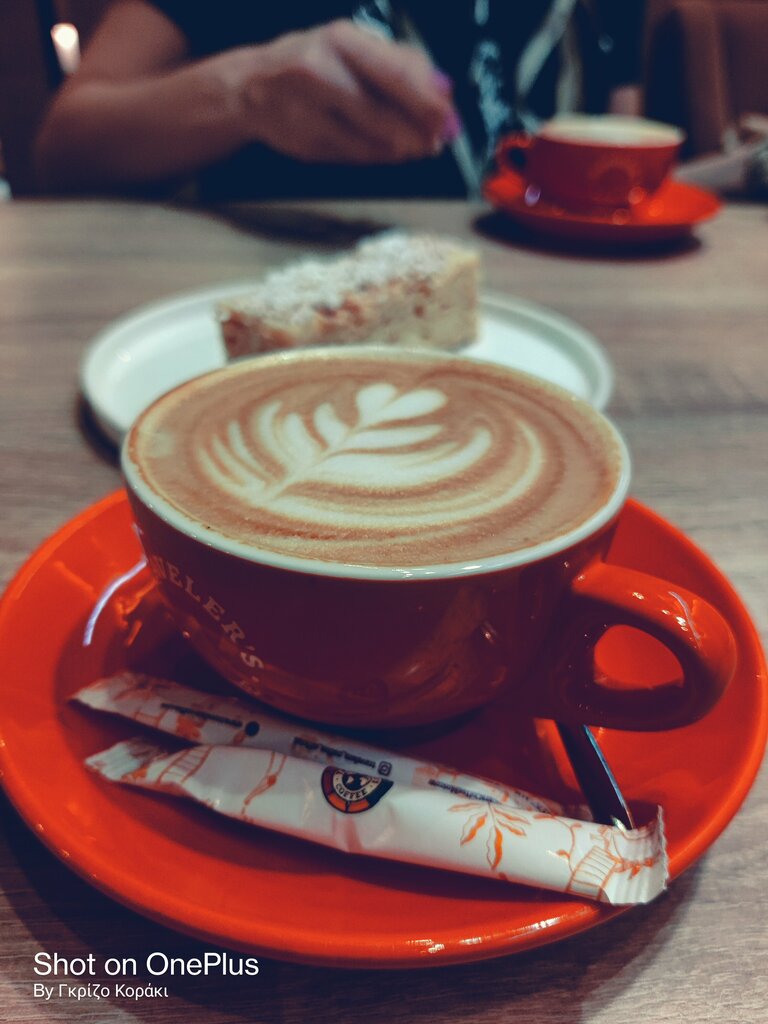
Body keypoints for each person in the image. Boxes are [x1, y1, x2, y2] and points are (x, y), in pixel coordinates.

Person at [35, 0, 645, 201]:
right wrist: (246, 90)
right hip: (282, 286)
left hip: (552, 309)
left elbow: (628, 171)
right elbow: (62, 148)